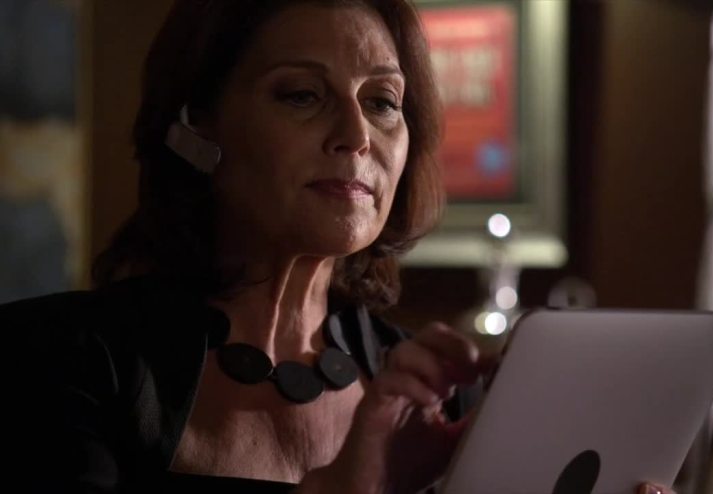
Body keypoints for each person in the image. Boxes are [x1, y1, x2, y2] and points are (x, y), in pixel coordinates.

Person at [3, 1, 674, 493]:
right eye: (302, 95)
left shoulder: (448, 401)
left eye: (382, 102)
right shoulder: (52, 360)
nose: (356, 135)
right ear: (195, 126)